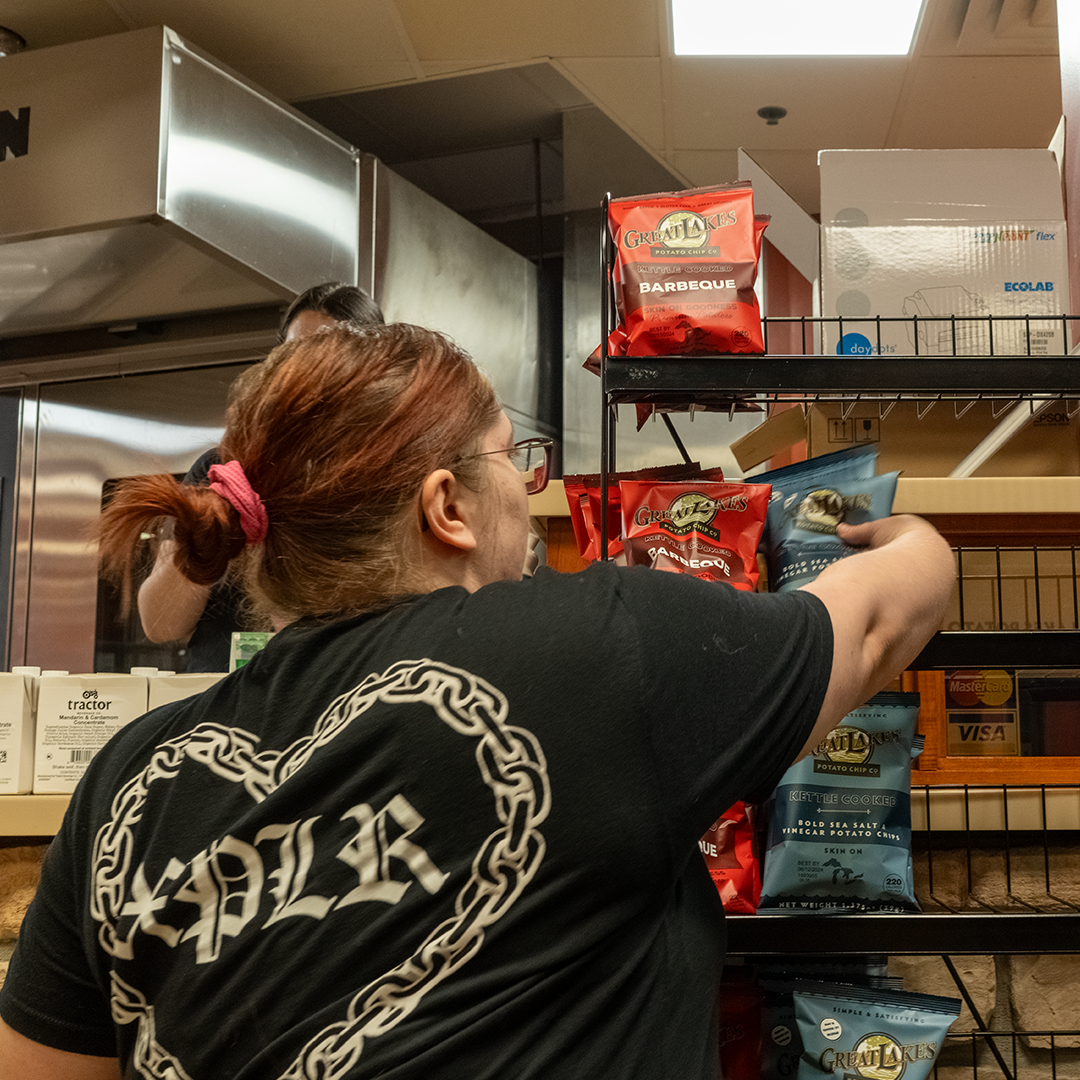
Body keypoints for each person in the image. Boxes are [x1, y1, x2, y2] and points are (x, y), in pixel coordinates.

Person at [0, 324, 956, 1080]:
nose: (527, 491)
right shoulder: (591, 648)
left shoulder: (130, 778)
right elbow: (880, 623)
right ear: (446, 505)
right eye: (513, 460)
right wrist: (912, 533)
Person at [137, 283, 384, 671]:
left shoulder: (389, 476)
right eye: (291, 354)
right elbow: (160, 624)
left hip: (339, 699)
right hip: (227, 705)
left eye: (329, 356)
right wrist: (210, 534)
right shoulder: (223, 469)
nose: (306, 372)